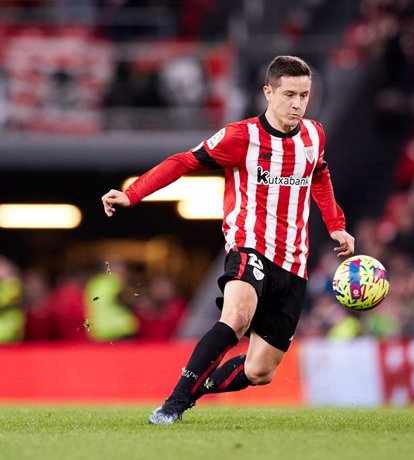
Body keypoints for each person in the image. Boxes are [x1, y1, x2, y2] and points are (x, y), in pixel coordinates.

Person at [101, 55, 355, 424]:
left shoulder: (315, 134)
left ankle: (192, 388)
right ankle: (172, 405)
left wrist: (336, 224)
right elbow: (183, 161)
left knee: (259, 372)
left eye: (304, 94)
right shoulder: (242, 136)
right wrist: (133, 193)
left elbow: (319, 175)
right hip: (250, 244)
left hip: (294, 261)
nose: (297, 104)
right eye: (288, 94)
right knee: (236, 316)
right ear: (268, 92)